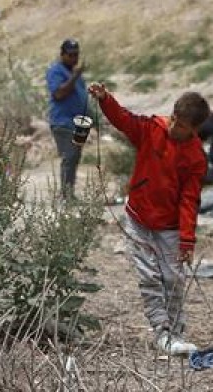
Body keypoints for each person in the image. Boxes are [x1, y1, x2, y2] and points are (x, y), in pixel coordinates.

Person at [89, 82, 209, 356]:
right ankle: (161, 332)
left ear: (194, 130)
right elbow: (123, 119)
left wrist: (187, 241)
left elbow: (190, 200)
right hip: (138, 220)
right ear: (172, 114)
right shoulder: (150, 129)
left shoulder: (195, 158)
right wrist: (106, 99)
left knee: (173, 279)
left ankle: (177, 333)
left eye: (182, 127)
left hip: (170, 227)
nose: (173, 128)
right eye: (174, 121)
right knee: (150, 278)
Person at [46, 38, 88, 199]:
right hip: (63, 122)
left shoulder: (74, 74)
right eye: (70, 55)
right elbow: (58, 93)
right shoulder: (56, 71)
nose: (74, 58)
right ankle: (66, 195)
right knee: (69, 156)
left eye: (76, 55)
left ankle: (69, 193)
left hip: (79, 123)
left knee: (75, 156)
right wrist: (75, 76)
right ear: (62, 55)